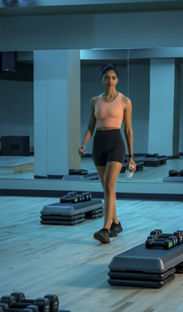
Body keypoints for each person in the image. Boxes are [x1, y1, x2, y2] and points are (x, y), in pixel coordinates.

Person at [79, 64, 136, 244]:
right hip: (99, 144)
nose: (110, 80)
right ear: (102, 80)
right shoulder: (95, 101)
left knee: (110, 186)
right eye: (106, 77)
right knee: (106, 188)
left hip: (116, 144)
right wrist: (83, 144)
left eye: (113, 77)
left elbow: (128, 129)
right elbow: (90, 127)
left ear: (117, 80)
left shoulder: (125, 101)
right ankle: (116, 223)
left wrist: (131, 155)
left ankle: (105, 229)